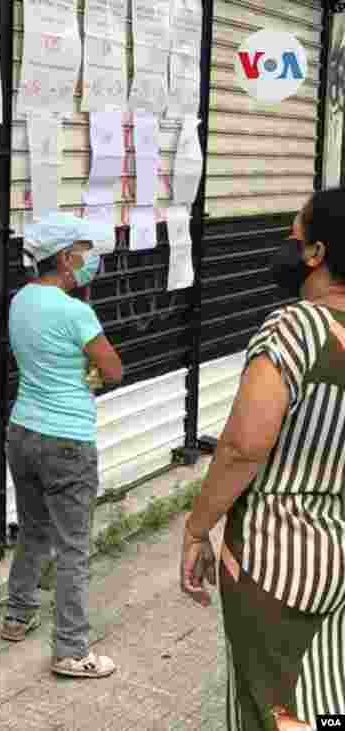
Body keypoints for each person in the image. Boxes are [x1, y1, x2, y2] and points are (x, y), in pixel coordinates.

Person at [180, 189, 345, 729]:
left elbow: (243, 446)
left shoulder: (294, 328)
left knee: (271, 710)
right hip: (338, 548)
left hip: (273, 556)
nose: (286, 246)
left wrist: (197, 528)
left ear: (316, 253)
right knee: (326, 696)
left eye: (294, 235)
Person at [0, 211, 123, 679]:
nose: (90, 259)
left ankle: (17, 615)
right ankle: (71, 650)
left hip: (22, 432)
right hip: (67, 440)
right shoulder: (76, 313)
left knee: (33, 529)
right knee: (73, 548)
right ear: (67, 257)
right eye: (85, 252)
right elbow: (112, 369)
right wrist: (90, 372)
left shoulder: (20, 301)